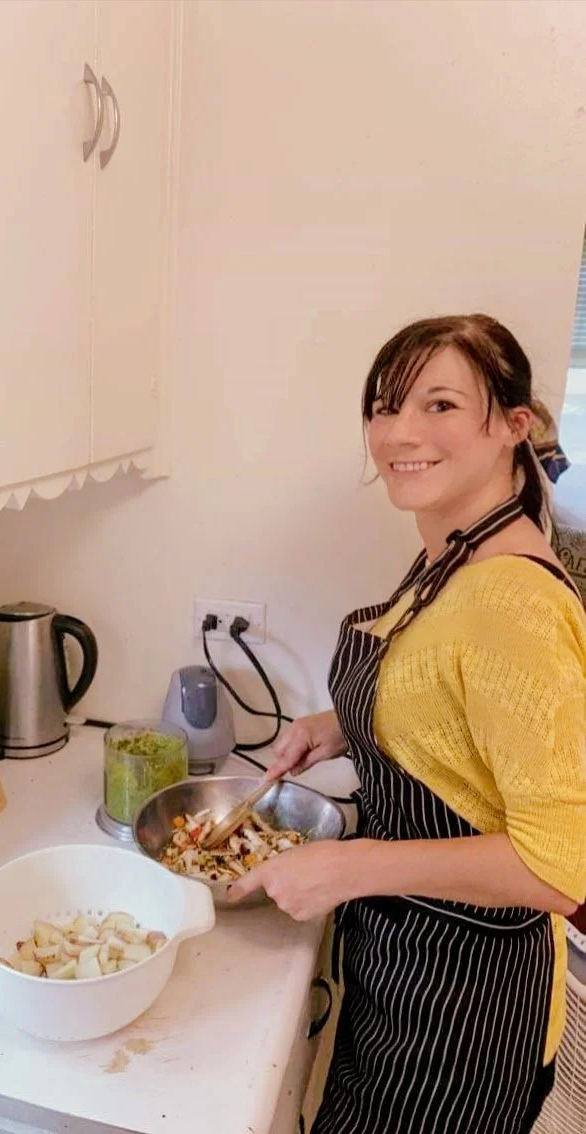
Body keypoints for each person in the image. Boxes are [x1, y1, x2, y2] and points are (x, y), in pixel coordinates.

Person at [228, 314, 586, 1134]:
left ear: (511, 426)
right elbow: (446, 691)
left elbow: (559, 868)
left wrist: (348, 867)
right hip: (408, 963)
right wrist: (344, 724)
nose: (398, 433)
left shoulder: (514, 600)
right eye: (385, 407)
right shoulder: (455, 546)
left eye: (439, 406)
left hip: (466, 1005)